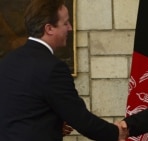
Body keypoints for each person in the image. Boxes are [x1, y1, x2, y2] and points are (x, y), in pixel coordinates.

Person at [0, 0, 127, 141]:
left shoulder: (8, 61)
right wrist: (116, 133)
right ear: (49, 28)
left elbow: (25, 110)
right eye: (65, 23)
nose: (70, 28)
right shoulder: (53, 68)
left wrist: (54, 121)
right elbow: (79, 118)